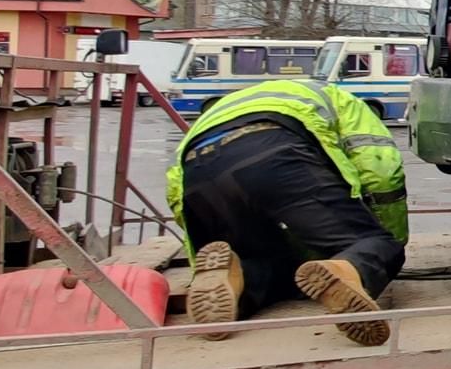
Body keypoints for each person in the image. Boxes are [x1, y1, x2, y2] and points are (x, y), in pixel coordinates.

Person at [165, 77, 408, 346]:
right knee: (375, 245)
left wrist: (203, 243)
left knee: (275, 266)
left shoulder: (223, 109)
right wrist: (383, 240)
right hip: (275, 151)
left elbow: (176, 196)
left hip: (197, 173)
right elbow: (381, 172)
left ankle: (238, 275)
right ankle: (348, 267)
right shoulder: (343, 100)